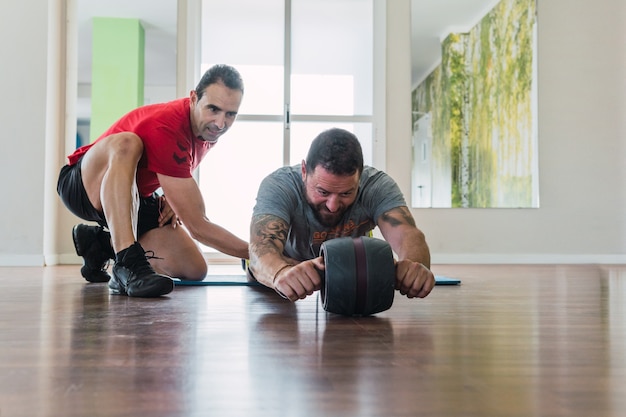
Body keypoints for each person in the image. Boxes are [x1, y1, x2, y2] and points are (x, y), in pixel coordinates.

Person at [57, 64, 249, 298]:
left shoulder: (206, 131)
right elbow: (198, 226)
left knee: (194, 268)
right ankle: (126, 264)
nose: (220, 123)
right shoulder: (168, 124)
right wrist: (261, 254)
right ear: (193, 98)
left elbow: (174, 165)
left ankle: (100, 244)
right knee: (128, 143)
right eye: (213, 109)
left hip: (137, 196)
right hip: (83, 185)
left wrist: (172, 195)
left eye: (231, 114)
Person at [248, 127, 435, 302]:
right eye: (322, 192)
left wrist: (414, 268)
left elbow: (409, 236)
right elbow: (262, 247)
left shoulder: (377, 186)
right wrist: (280, 272)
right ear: (304, 171)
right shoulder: (279, 185)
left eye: (346, 193)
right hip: (286, 266)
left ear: (360, 177)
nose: (333, 206)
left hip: (348, 270)